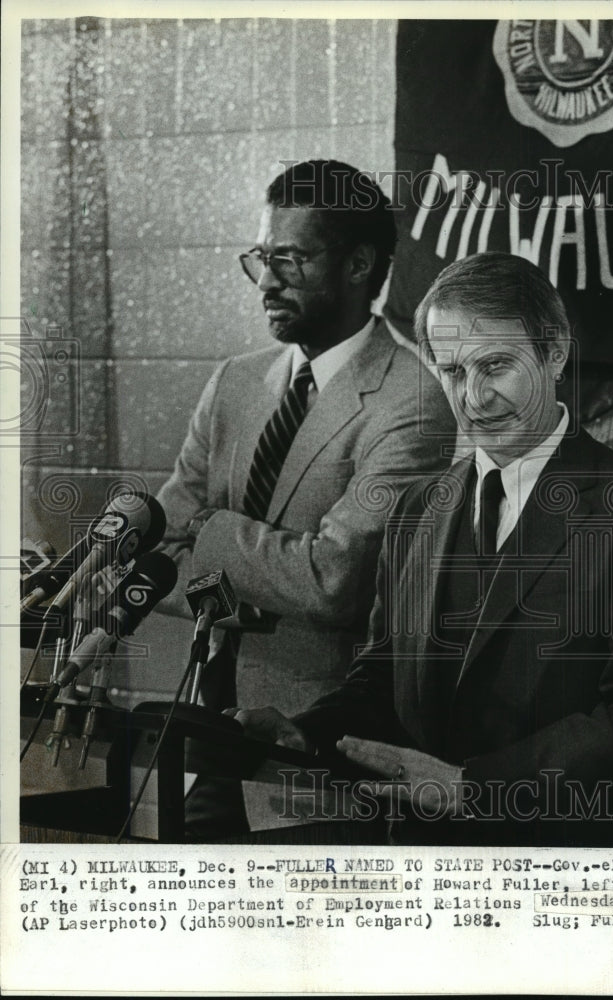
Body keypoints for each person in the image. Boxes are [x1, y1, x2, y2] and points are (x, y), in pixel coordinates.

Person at [233, 251, 613, 847]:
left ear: (555, 354)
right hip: (423, 855)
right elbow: (380, 681)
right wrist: (307, 734)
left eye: (496, 366)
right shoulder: (416, 510)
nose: (474, 397)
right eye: (454, 371)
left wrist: (473, 788)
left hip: (569, 864)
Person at [155, 159, 456, 839]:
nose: (267, 281)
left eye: (289, 260)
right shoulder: (235, 383)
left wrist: (211, 528)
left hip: (318, 757)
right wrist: (240, 594)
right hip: (211, 733)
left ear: (358, 266)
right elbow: (161, 550)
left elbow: (333, 584)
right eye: (262, 259)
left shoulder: (412, 402)